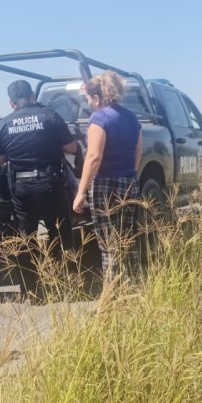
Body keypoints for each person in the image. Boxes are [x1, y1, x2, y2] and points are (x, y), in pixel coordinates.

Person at [72, 71, 142, 280]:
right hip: (129, 182)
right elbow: (138, 151)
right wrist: (129, 174)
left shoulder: (99, 118)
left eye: (88, 99)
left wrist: (81, 192)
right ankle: (132, 283)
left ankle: (112, 292)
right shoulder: (132, 118)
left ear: (97, 98)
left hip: (105, 184)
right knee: (126, 237)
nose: (89, 103)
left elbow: (94, 157)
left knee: (108, 242)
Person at [0, 80, 78, 253]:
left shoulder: (3, 124)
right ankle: (64, 268)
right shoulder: (49, 115)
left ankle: (29, 270)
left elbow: (0, 160)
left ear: (11, 103)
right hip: (50, 183)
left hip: (21, 187)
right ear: (32, 96)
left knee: (26, 236)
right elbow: (71, 148)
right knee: (60, 233)